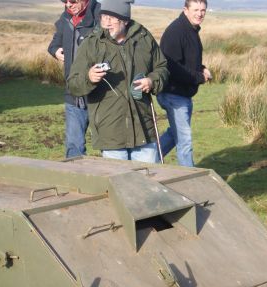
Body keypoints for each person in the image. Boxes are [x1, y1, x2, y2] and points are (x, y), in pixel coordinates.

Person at [66, 0, 168, 163]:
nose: (106, 22)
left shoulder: (144, 38)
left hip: (143, 129)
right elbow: (73, 84)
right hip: (110, 130)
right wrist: (89, 78)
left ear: (125, 20)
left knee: (147, 182)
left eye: (112, 18)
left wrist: (152, 80)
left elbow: (162, 67)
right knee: (119, 183)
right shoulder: (91, 43)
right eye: (103, 17)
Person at [157, 0, 212, 167]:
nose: (200, 13)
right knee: (184, 140)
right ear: (185, 10)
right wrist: (199, 77)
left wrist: (202, 69)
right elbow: (172, 67)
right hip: (173, 93)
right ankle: (189, 179)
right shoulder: (177, 31)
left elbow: (187, 61)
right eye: (196, 9)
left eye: (203, 10)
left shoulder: (191, 29)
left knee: (175, 134)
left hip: (181, 94)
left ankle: (149, 159)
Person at [47, 0, 102, 159]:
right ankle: (75, 183)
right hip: (73, 92)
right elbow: (54, 43)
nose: (68, 4)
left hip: (100, 94)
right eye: (65, 1)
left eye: (73, 1)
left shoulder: (102, 16)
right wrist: (55, 50)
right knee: (74, 146)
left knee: (109, 146)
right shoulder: (65, 18)